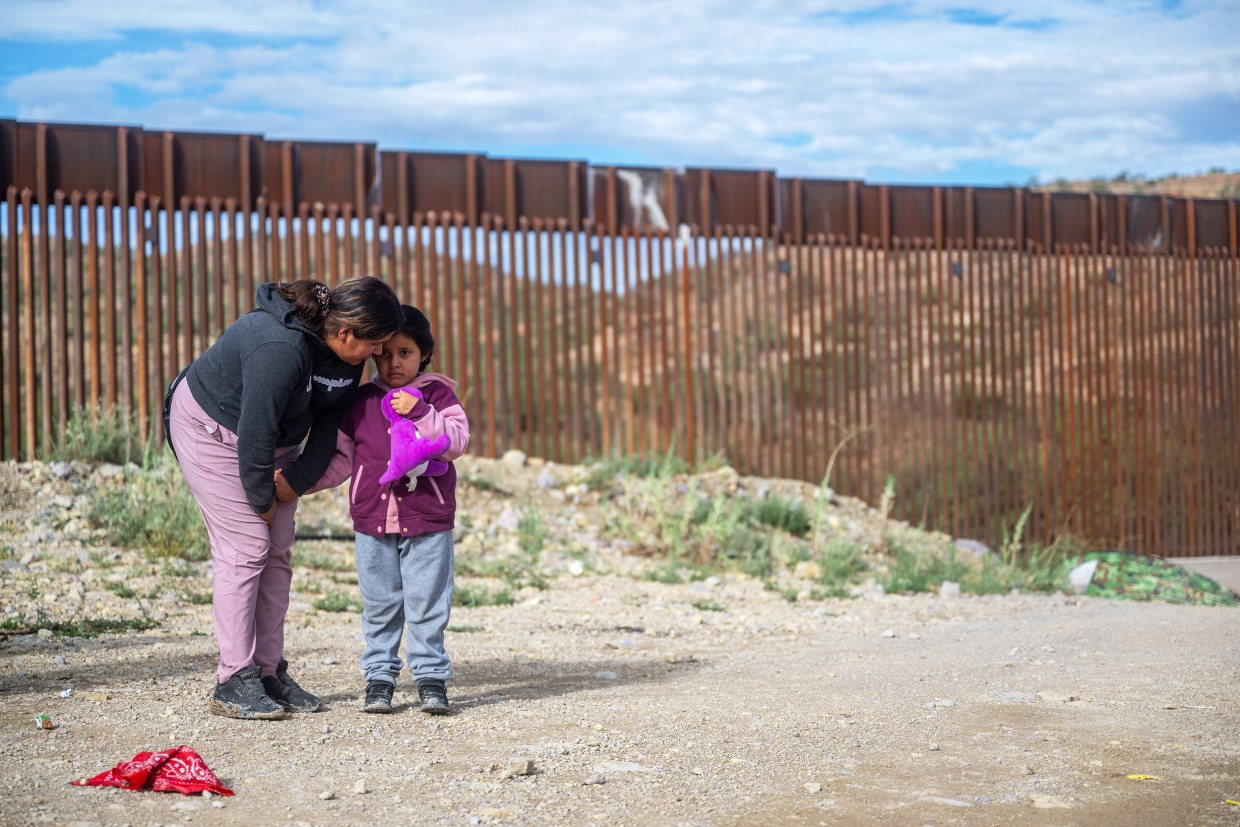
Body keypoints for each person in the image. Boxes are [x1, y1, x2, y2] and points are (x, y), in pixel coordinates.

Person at [166, 276, 403, 720]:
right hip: (212, 431)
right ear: (346, 331)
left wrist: (296, 480)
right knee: (247, 547)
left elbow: (330, 420)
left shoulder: (345, 356)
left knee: (276, 552)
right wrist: (263, 500)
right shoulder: (279, 348)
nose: (379, 355)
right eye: (376, 344)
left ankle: (268, 671)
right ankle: (233, 679)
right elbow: (254, 433)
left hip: (272, 443)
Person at [312, 305, 470, 714]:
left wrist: (420, 411)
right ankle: (379, 678)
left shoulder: (438, 396)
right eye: (385, 353)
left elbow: (455, 443)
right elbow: (343, 460)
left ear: (424, 355)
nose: (394, 362)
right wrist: (298, 485)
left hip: (427, 521)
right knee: (380, 604)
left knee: (426, 603)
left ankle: (431, 679)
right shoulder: (361, 400)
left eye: (406, 353)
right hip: (372, 521)